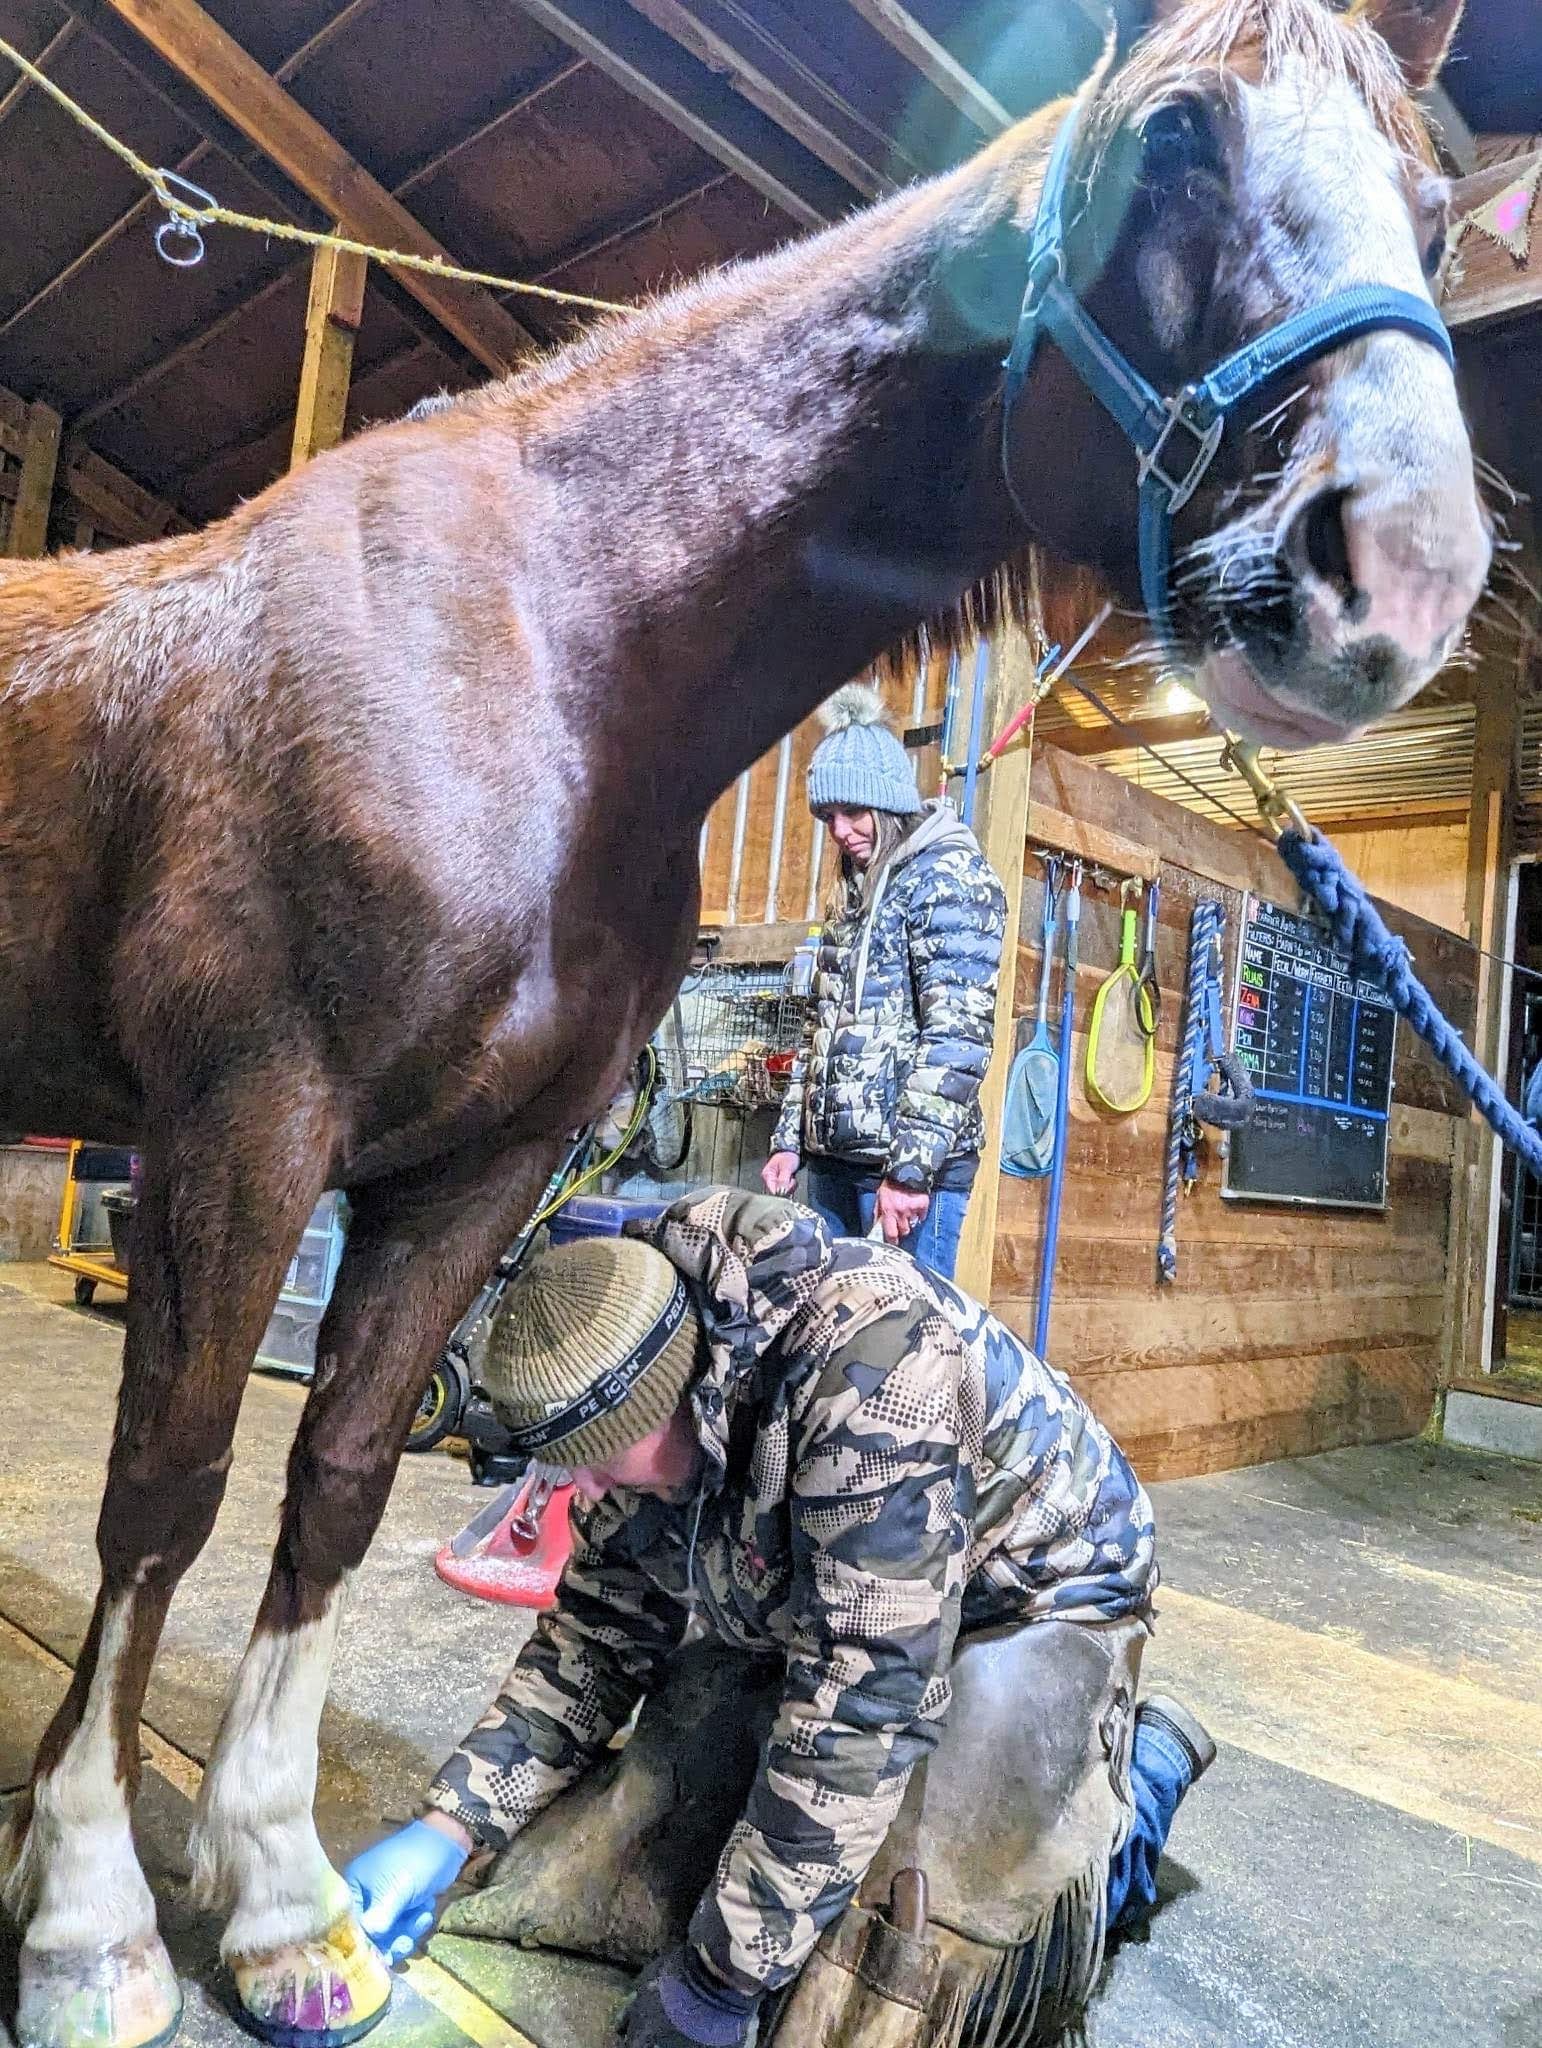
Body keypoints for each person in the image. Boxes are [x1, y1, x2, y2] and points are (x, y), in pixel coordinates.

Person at [344, 1190, 1213, 2048]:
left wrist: (718, 1982)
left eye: (601, 1460)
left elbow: (864, 1703)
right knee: (643, 1836)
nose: (587, 1489)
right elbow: (596, 1641)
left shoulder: (879, 1371)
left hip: (1038, 1591)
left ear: (671, 1396)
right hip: (836, 1579)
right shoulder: (634, 1388)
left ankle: (1136, 1784)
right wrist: (448, 1827)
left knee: (913, 1948)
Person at [762, 682, 1006, 1279]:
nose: (840, 831)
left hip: (903, 1174)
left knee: (907, 1329)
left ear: (888, 802)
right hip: (834, 1162)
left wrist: (910, 1172)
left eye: (854, 812)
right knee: (830, 1324)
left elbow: (957, 1038)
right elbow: (822, 1027)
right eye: (829, 817)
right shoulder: (853, 891)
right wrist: (790, 1138)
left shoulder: (949, 879)